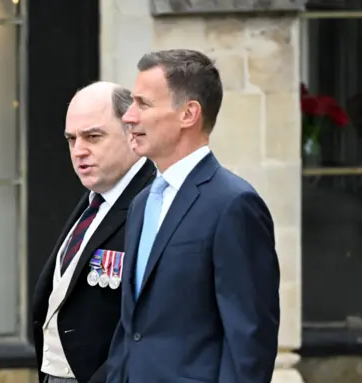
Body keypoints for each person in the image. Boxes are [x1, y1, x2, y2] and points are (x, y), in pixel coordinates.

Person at [106, 49, 280, 383]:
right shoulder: (142, 203)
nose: (128, 116)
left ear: (189, 113)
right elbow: (132, 328)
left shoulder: (234, 204)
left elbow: (249, 341)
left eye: (143, 104)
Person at [31, 81, 155, 383]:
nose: (79, 151)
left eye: (93, 137)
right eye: (71, 139)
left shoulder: (154, 204)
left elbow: (153, 326)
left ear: (132, 134)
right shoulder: (95, 200)